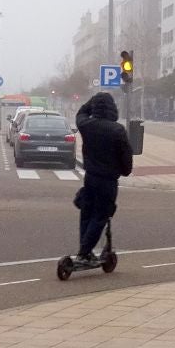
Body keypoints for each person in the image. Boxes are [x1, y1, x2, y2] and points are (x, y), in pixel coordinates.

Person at [73, 91, 133, 266]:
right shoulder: (117, 130)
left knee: (87, 213)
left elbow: (80, 113)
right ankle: (84, 253)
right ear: (113, 108)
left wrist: (91, 101)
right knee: (100, 216)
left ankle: (85, 250)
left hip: (90, 177)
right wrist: (125, 171)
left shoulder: (86, 125)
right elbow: (126, 156)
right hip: (108, 180)